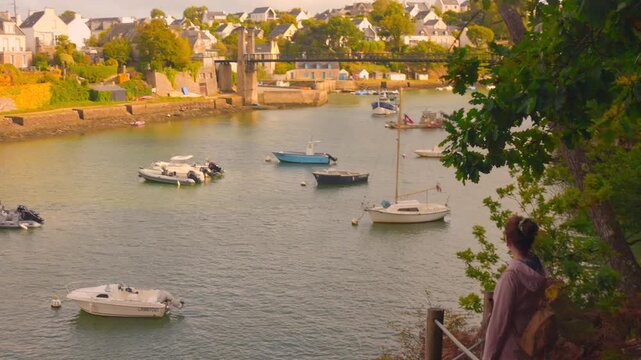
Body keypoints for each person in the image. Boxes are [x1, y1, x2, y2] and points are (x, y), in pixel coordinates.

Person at [483, 215, 547, 360]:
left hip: (511, 352)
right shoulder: (539, 269)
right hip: (533, 346)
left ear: (508, 241)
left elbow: (498, 326)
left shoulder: (511, 277)